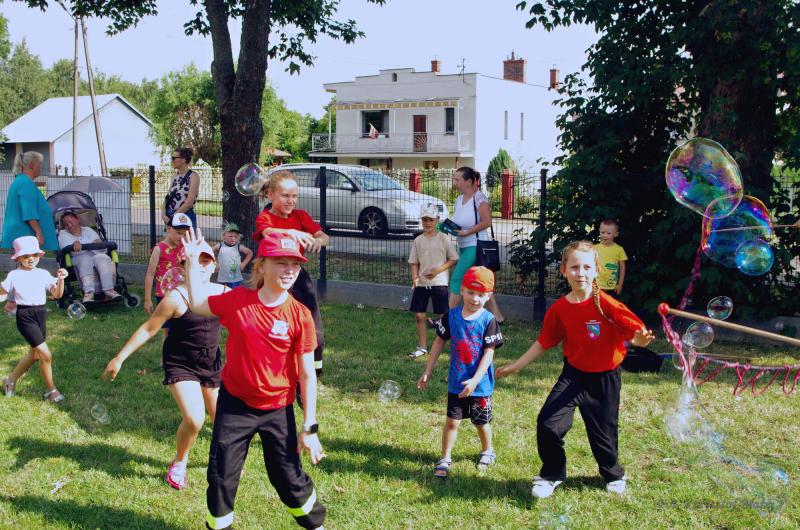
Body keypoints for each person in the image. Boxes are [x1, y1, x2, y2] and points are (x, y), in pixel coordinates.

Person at [182, 229, 326, 530]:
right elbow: (197, 304)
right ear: (261, 266)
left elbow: (306, 374)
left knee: (287, 478)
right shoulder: (238, 301)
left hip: (278, 410)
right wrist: (192, 264)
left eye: (295, 264)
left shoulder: (300, 315)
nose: (289, 270)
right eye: (281, 263)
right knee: (221, 476)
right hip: (235, 406)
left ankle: (316, 525)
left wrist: (309, 426)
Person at [496, 241, 654, 499]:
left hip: (605, 378)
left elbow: (636, 335)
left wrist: (640, 340)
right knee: (548, 423)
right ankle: (552, 474)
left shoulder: (608, 305)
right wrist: (516, 365)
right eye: (574, 267)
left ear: (597, 270)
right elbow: (544, 341)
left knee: (604, 434)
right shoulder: (559, 309)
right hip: (573, 376)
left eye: (587, 267)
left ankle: (614, 475)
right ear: (563, 271)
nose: (580, 273)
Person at [103, 240, 225, 490]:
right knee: (194, 419)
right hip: (181, 364)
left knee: (222, 419)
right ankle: (180, 461)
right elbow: (148, 329)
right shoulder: (175, 298)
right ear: (183, 267)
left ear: (214, 266)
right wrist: (120, 358)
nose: (201, 266)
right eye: (194, 261)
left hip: (211, 363)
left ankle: (225, 457)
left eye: (206, 261)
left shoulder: (223, 293)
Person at [417, 266, 504, 479]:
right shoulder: (451, 316)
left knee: (481, 421)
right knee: (452, 421)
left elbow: (489, 353)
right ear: (462, 290)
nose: (475, 298)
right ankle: (445, 457)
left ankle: (487, 451)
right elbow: (439, 342)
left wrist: (475, 380)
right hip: (456, 382)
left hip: (480, 385)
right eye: (471, 292)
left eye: (481, 294)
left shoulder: (489, 321)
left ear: (489, 296)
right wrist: (428, 370)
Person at [254, 170, 329, 377]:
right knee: (274, 325)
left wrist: (318, 241)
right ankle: (272, 367)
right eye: (285, 196)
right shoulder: (265, 218)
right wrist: (292, 232)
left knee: (313, 326)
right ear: (270, 194)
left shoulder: (300, 216)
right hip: (270, 278)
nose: (291, 201)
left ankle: (312, 371)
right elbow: (268, 232)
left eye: (294, 196)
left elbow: (324, 237)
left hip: (297, 277)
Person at [1, 236, 68, 402]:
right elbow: (2, 294)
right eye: (25, 256)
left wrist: (61, 280)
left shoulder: (43, 274)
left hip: (40, 314)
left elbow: (57, 294)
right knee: (45, 354)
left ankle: (10, 381)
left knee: (35, 354)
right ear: (18, 258)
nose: (31, 259)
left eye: (34, 255)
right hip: (25, 317)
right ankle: (51, 391)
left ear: (39, 255)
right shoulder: (14, 275)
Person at [1, 151, 59, 315]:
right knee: (24, 268)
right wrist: (39, 232)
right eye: (40, 164)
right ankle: (13, 304)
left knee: (23, 267)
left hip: (21, 232)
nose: (41, 167)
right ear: (32, 165)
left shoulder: (20, 181)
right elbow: (29, 212)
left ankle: (16, 303)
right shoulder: (26, 183)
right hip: (25, 233)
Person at [448, 167, 504, 322]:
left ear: (469, 181)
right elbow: (460, 221)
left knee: (457, 279)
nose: (454, 182)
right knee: (479, 280)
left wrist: (467, 232)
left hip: (476, 245)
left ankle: (447, 318)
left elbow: (487, 222)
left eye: (457, 179)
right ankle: (498, 316)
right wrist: (448, 227)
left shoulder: (479, 198)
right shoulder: (459, 199)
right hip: (463, 245)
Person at [407, 204, 458, 358]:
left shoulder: (444, 238)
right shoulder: (418, 240)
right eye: (424, 220)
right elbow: (414, 262)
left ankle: (454, 345)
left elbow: (453, 259)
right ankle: (422, 347)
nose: (427, 223)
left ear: (437, 220)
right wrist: (415, 278)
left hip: (439, 283)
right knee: (419, 315)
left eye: (430, 219)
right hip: (422, 283)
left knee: (444, 316)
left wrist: (437, 271)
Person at [57, 211, 121, 302]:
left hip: (95, 256)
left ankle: (109, 290)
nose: (69, 225)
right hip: (79, 258)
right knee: (85, 259)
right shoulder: (63, 234)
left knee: (103, 258)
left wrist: (94, 245)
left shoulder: (88, 230)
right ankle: (89, 292)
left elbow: (100, 247)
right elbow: (68, 249)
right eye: (66, 224)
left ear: (77, 219)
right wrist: (77, 245)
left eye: (70, 222)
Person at [145, 213, 191, 316]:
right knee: (166, 324)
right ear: (168, 229)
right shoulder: (158, 249)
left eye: (185, 234)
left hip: (181, 294)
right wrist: (147, 299)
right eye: (179, 233)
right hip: (163, 296)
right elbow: (150, 274)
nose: (181, 237)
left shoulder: (184, 247)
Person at [163, 147, 200, 227]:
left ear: (183, 160)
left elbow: (189, 203)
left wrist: (173, 217)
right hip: (170, 215)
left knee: (186, 236)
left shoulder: (193, 176)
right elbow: (167, 197)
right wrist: (163, 215)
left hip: (184, 216)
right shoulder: (174, 177)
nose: (171, 161)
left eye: (174, 158)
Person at [212, 222, 253, 289]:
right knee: (222, 291)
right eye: (230, 236)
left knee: (235, 292)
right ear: (224, 236)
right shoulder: (220, 246)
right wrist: (215, 263)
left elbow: (250, 253)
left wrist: (243, 264)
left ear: (238, 237)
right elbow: (209, 251)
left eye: (235, 236)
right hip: (223, 277)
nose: (233, 238)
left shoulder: (239, 247)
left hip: (235, 278)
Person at [594, 219, 627, 297]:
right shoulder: (594, 248)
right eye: (602, 232)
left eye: (608, 233)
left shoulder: (619, 249)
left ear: (616, 234)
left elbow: (622, 268)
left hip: (612, 288)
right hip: (596, 287)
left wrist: (620, 284)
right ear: (599, 231)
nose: (605, 235)